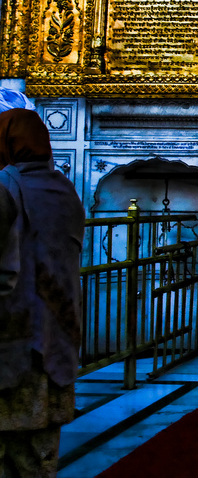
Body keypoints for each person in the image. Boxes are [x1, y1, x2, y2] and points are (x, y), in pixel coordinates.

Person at [0, 107, 86, 478]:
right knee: (38, 457)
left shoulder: (6, 186)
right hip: (58, 337)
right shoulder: (64, 189)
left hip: (13, 340)